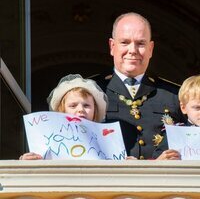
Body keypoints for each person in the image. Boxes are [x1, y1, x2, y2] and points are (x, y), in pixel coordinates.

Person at [103, 12, 185, 160]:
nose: (132, 50)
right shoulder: (93, 90)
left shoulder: (174, 95)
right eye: (125, 42)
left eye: (140, 43)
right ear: (112, 46)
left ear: (150, 49)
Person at [20, 74, 108, 160]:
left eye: (86, 105)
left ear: (95, 110)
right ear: (62, 110)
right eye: (73, 106)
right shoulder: (47, 139)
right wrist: (27, 163)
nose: (80, 109)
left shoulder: (105, 141)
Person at [153, 74, 200, 159]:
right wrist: (162, 159)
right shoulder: (175, 134)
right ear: (183, 108)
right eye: (197, 108)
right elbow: (156, 164)